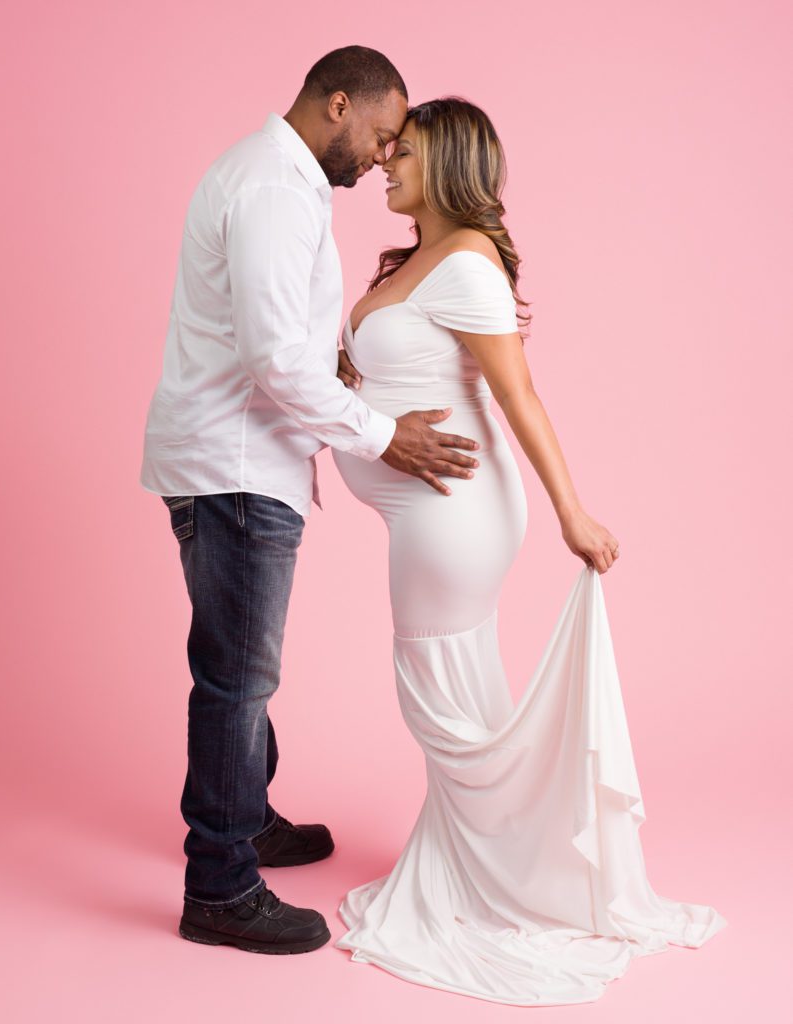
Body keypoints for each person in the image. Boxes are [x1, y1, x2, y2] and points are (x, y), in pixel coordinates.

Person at [331, 98, 727, 1005]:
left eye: (405, 149)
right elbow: (383, 368)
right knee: (454, 703)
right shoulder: (418, 259)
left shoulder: (466, 261)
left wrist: (571, 514)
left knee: (441, 703)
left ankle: (515, 884)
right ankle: (481, 867)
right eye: (388, 147)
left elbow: (520, 400)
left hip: (455, 509)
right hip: (422, 510)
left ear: (452, 162)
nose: (386, 160)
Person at [139, 48, 485, 955]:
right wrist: (382, 431)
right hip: (235, 466)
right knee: (237, 677)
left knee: (241, 667)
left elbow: (283, 340)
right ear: (337, 105)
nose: (379, 157)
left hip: (242, 459)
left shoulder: (282, 181)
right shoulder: (273, 186)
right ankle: (219, 882)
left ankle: (245, 819)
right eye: (376, 135)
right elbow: (272, 359)